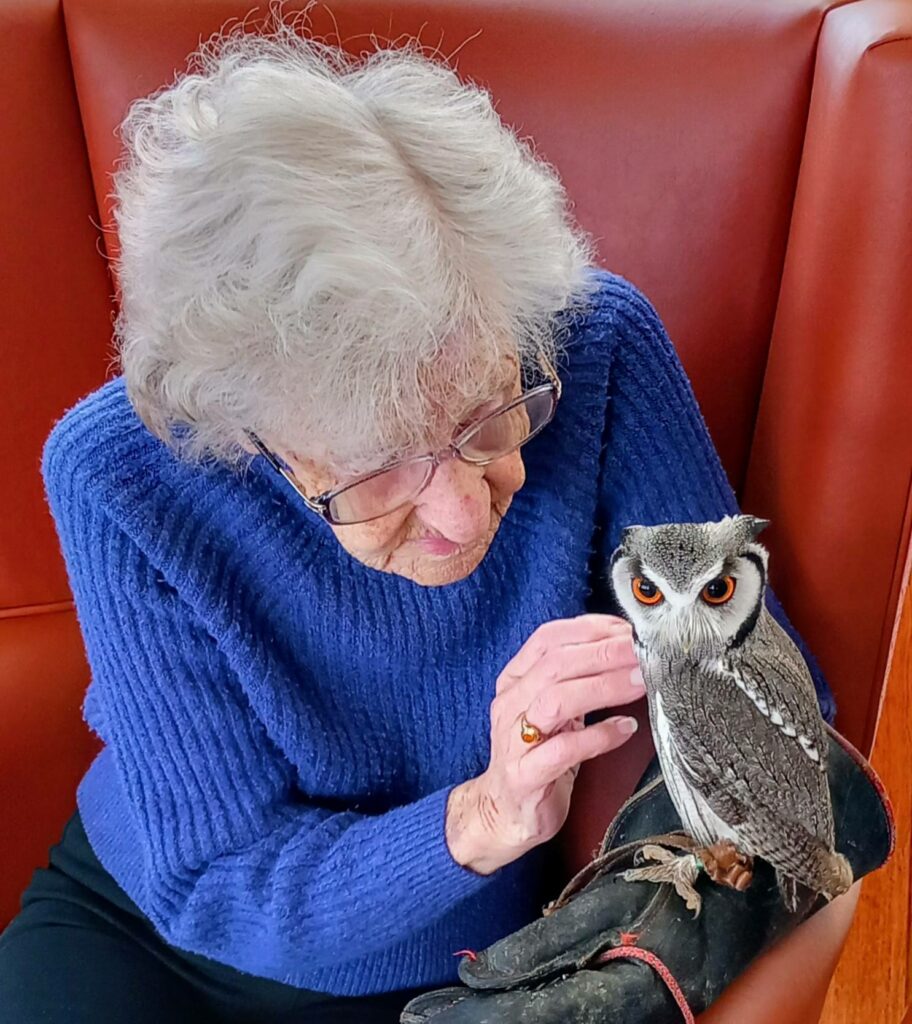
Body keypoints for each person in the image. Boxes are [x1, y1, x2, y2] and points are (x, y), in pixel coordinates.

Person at [0, 14, 858, 1024]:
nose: (461, 512)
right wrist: (481, 813)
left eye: (489, 416)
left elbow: (769, 708)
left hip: (460, 970)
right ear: (248, 439)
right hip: (156, 933)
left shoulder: (591, 345)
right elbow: (214, 880)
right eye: (374, 471)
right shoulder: (121, 472)